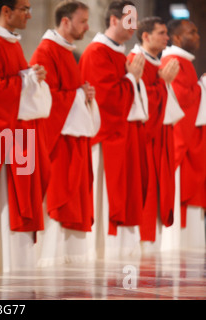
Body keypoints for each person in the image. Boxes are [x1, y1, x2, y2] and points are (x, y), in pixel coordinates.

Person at [0, 0, 52, 273]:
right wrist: (27, 79)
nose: (30, 15)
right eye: (24, 9)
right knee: (2, 204)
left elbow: (16, 81)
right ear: (5, 11)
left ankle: (12, 265)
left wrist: (31, 77)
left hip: (17, 136)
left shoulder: (12, 42)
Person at [29, 0, 100, 265]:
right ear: (66, 21)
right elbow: (43, 100)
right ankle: (49, 260)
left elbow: (67, 94)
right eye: (83, 21)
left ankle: (67, 260)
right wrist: (78, 95)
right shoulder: (46, 51)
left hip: (72, 140)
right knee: (58, 198)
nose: (87, 27)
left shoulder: (67, 52)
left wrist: (85, 95)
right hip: (58, 143)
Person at [79, 1, 147, 258]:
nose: (134, 26)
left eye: (135, 21)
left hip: (123, 137)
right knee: (106, 197)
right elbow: (105, 100)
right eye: (129, 20)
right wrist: (131, 79)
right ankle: (101, 251)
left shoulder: (119, 53)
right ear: (114, 20)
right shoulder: (97, 52)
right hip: (107, 140)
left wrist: (132, 80)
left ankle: (119, 252)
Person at [128, 17, 182, 246]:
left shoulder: (157, 65)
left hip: (160, 140)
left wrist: (163, 82)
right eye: (161, 33)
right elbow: (139, 103)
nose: (167, 38)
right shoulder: (134, 61)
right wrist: (162, 83)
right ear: (146, 36)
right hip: (144, 140)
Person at [161, 19, 206, 249]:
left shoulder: (183, 62)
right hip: (180, 140)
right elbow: (178, 101)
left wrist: (199, 88)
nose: (197, 35)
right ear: (177, 38)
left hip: (191, 140)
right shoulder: (172, 61)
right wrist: (202, 88)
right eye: (192, 31)